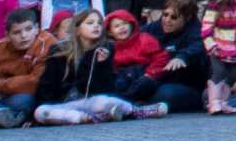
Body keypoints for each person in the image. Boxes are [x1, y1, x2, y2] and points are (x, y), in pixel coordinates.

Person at [31, 8, 166, 125]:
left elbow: (102, 88)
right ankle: (90, 118)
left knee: (103, 101)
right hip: (63, 104)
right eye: (90, 23)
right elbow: (47, 84)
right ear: (77, 29)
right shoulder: (60, 49)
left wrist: (100, 65)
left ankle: (136, 111)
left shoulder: (105, 48)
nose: (96, 26)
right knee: (41, 112)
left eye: (99, 23)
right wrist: (34, 117)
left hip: (89, 100)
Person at [145, 0, 212, 112]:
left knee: (165, 94)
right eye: (165, 14)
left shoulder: (197, 32)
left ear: (187, 18)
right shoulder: (156, 27)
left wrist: (182, 57)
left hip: (188, 86)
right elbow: (137, 36)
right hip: (158, 79)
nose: (167, 20)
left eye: (174, 17)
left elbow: (197, 47)